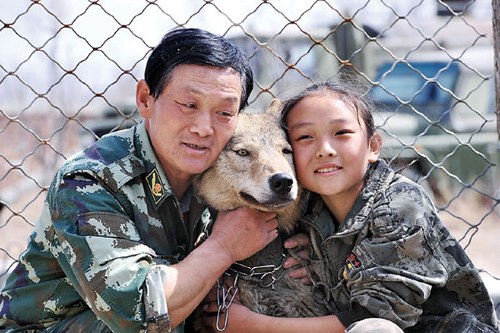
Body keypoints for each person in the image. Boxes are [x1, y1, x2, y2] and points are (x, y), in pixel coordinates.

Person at [0, 27, 308, 333]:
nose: (204, 128)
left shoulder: (219, 167)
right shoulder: (89, 180)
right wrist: (224, 246)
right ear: (146, 99)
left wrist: (297, 252)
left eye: (224, 113)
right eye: (189, 105)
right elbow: (138, 315)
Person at [203, 80, 499, 332]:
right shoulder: (308, 209)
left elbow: (376, 316)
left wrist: (249, 324)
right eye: (305, 138)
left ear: (373, 147)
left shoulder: (401, 205)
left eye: (341, 133)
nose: (325, 150)